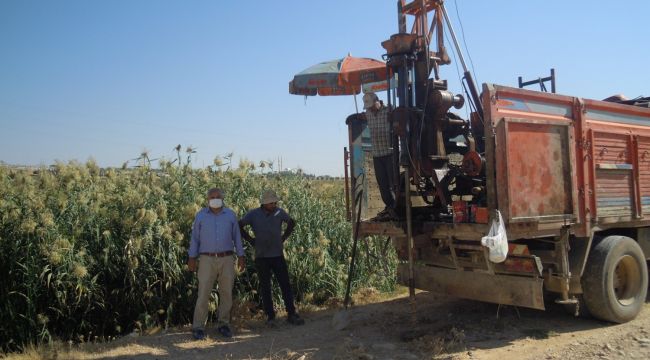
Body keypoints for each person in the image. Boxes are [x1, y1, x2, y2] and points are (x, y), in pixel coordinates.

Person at [239, 190, 305, 326]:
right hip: (261, 256)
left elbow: (291, 222)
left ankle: (291, 314)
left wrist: (284, 237)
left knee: (285, 285)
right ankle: (270, 316)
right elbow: (239, 225)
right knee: (265, 287)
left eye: (275, 202)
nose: (274, 204)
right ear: (264, 203)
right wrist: (251, 240)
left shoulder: (279, 212)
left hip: (277, 255)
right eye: (271, 202)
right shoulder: (253, 214)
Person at [187, 188, 245, 340]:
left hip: (227, 258)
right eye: (212, 197)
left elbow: (237, 237)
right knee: (203, 293)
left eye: (218, 196)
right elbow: (195, 239)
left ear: (223, 198)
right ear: (207, 199)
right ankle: (198, 327)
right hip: (206, 259)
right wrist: (192, 257)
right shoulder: (200, 216)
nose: (215, 199)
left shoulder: (231, 215)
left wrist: (241, 255)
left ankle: (224, 324)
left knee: (226, 293)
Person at [362, 91, 397, 221]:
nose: (370, 109)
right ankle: (389, 207)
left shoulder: (389, 110)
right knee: (382, 184)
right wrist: (352, 118)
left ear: (378, 101)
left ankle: (397, 208)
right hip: (377, 155)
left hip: (390, 154)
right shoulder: (368, 114)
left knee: (394, 183)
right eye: (368, 107)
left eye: (371, 106)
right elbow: (360, 117)